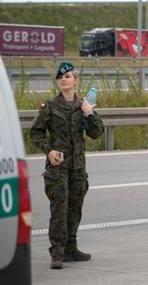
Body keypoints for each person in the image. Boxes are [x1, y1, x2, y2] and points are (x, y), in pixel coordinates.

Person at [30, 62, 104, 270]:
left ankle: (71, 248)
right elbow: (35, 133)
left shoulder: (83, 106)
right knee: (59, 208)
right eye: (60, 77)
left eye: (68, 76)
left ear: (76, 81)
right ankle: (57, 253)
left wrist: (89, 114)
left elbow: (96, 133)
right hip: (58, 166)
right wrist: (49, 150)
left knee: (75, 208)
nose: (63, 79)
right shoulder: (50, 106)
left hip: (78, 167)